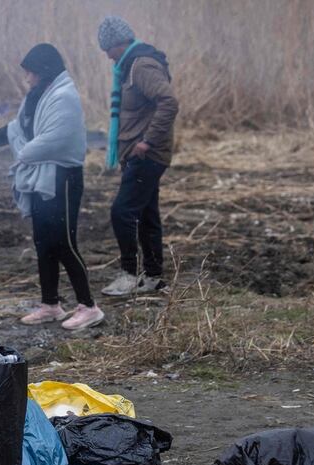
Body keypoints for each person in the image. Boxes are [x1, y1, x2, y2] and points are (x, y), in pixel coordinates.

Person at [0, 45, 104, 330]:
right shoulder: (36, 97)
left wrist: (22, 154)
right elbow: (16, 129)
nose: (27, 78)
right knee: (43, 241)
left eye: (30, 72)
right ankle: (50, 304)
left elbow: (51, 140)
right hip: (41, 176)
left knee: (63, 242)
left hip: (62, 178)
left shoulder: (64, 98)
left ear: (44, 71)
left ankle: (89, 306)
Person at [97, 16, 179, 296]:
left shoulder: (141, 66)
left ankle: (129, 275)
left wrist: (146, 142)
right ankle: (154, 277)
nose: (108, 56)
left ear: (121, 43)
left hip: (147, 155)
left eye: (108, 49)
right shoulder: (129, 66)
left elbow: (169, 102)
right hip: (140, 154)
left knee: (122, 212)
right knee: (146, 215)